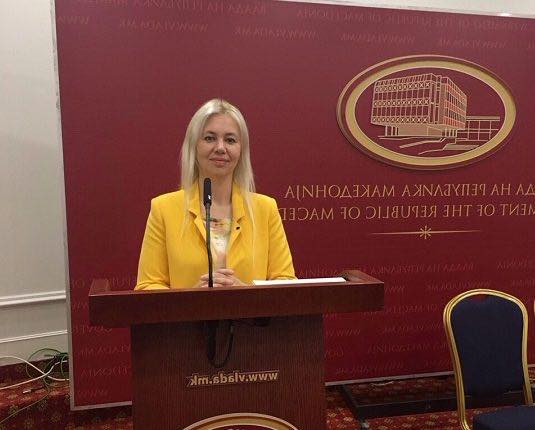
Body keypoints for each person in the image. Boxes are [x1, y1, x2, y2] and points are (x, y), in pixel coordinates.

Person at [135, 99, 295, 290]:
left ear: (241, 150)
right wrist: (192, 299)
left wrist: (246, 294)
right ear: (194, 146)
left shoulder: (265, 209)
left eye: (230, 140)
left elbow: (286, 284)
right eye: (210, 138)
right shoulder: (163, 209)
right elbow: (147, 287)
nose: (220, 148)